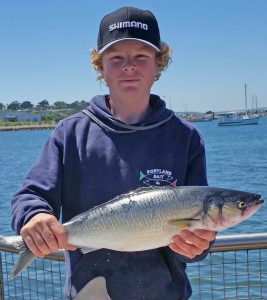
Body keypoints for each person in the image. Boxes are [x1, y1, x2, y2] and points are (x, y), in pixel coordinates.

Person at [11, 6, 216, 300]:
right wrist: (34, 217)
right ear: (101, 67)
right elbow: (29, 195)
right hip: (90, 294)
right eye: (116, 57)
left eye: (141, 57)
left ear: (158, 65)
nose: (128, 66)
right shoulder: (70, 134)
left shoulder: (186, 138)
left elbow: (201, 227)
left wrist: (198, 246)